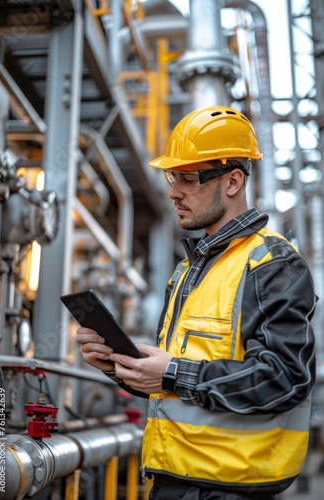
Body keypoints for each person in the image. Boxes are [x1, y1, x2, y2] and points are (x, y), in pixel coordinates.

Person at [76, 105, 317, 500]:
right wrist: (123, 367)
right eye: (173, 177)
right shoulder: (187, 270)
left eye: (188, 179)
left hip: (231, 489)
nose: (173, 191)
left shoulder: (272, 264)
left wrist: (171, 373)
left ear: (233, 181)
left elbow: (283, 379)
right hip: (171, 481)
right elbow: (177, 387)